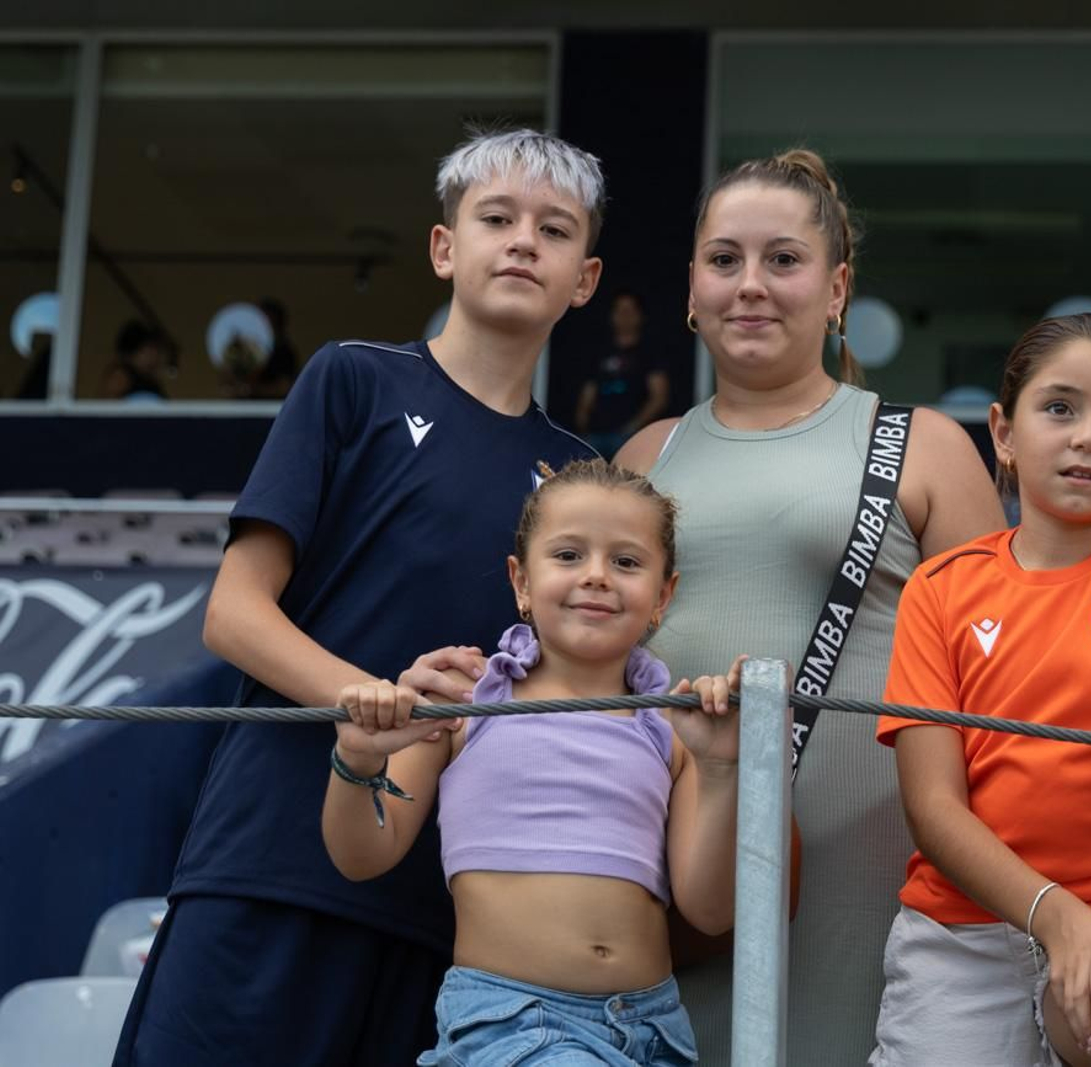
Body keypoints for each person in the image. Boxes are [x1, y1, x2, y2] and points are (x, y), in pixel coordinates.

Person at [113, 128, 606, 1066]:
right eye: (495, 217)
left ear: (584, 277)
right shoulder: (353, 378)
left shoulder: (581, 475)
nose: (521, 242)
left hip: (445, 911)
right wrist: (376, 704)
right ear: (443, 246)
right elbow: (235, 612)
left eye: (553, 229)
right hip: (269, 859)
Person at [615, 148, 1004, 1065]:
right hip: (683, 890)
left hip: (882, 877)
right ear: (691, 289)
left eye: (784, 260)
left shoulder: (925, 447)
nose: (751, 285)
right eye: (725, 260)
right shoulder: (644, 457)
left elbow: (1003, 698)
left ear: (837, 291)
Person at [872, 313, 1091, 1067]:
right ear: (1003, 432)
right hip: (960, 938)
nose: (1088, 436)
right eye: (1059, 407)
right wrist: (1054, 916)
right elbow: (933, 805)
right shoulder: (939, 586)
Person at [324, 459, 745, 1066]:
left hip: (655, 1031)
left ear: (663, 594)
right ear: (521, 581)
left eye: (626, 562)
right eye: (569, 555)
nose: (597, 576)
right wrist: (357, 757)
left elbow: (708, 911)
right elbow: (361, 856)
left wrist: (723, 769)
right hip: (514, 1024)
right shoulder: (462, 703)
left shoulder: (675, 729)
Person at [574, 290, 670, 458]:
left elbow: (659, 397)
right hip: (595, 434)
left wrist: (633, 428)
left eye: (630, 310)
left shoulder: (648, 353)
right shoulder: (600, 351)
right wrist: (583, 421)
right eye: (619, 310)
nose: (624, 316)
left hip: (630, 436)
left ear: (640, 316)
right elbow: (589, 391)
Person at [102, 319, 170, 401]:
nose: (155, 356)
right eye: (150, 349)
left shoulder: (151, 381)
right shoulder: (121, 375)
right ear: (135, 351)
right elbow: (108, 407)